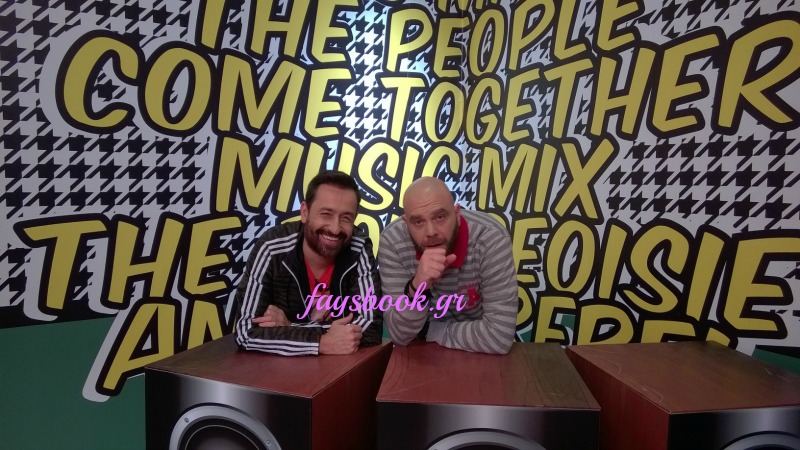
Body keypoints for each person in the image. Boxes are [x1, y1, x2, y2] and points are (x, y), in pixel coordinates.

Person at [234, 170, 382, 355]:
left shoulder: (358, 247)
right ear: (305, 212)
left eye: (346, 218)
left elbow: (371, 327)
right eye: (326, 214)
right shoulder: (272, 247)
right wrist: (320, 343)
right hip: (276, 370)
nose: (335, 228)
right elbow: (246, 333)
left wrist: (290, 326)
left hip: (337, 368)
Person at [378, 177, 518, 354]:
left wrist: (428, 331)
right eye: (418, 222)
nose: (431, 232)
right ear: (406, 223)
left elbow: (499, 337)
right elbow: (400, 335)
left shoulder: (490, 237)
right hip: (422, 356)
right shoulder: (392, 241)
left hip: (479, 356)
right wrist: (417, 287)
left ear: (457, 214)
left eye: (440, 217)